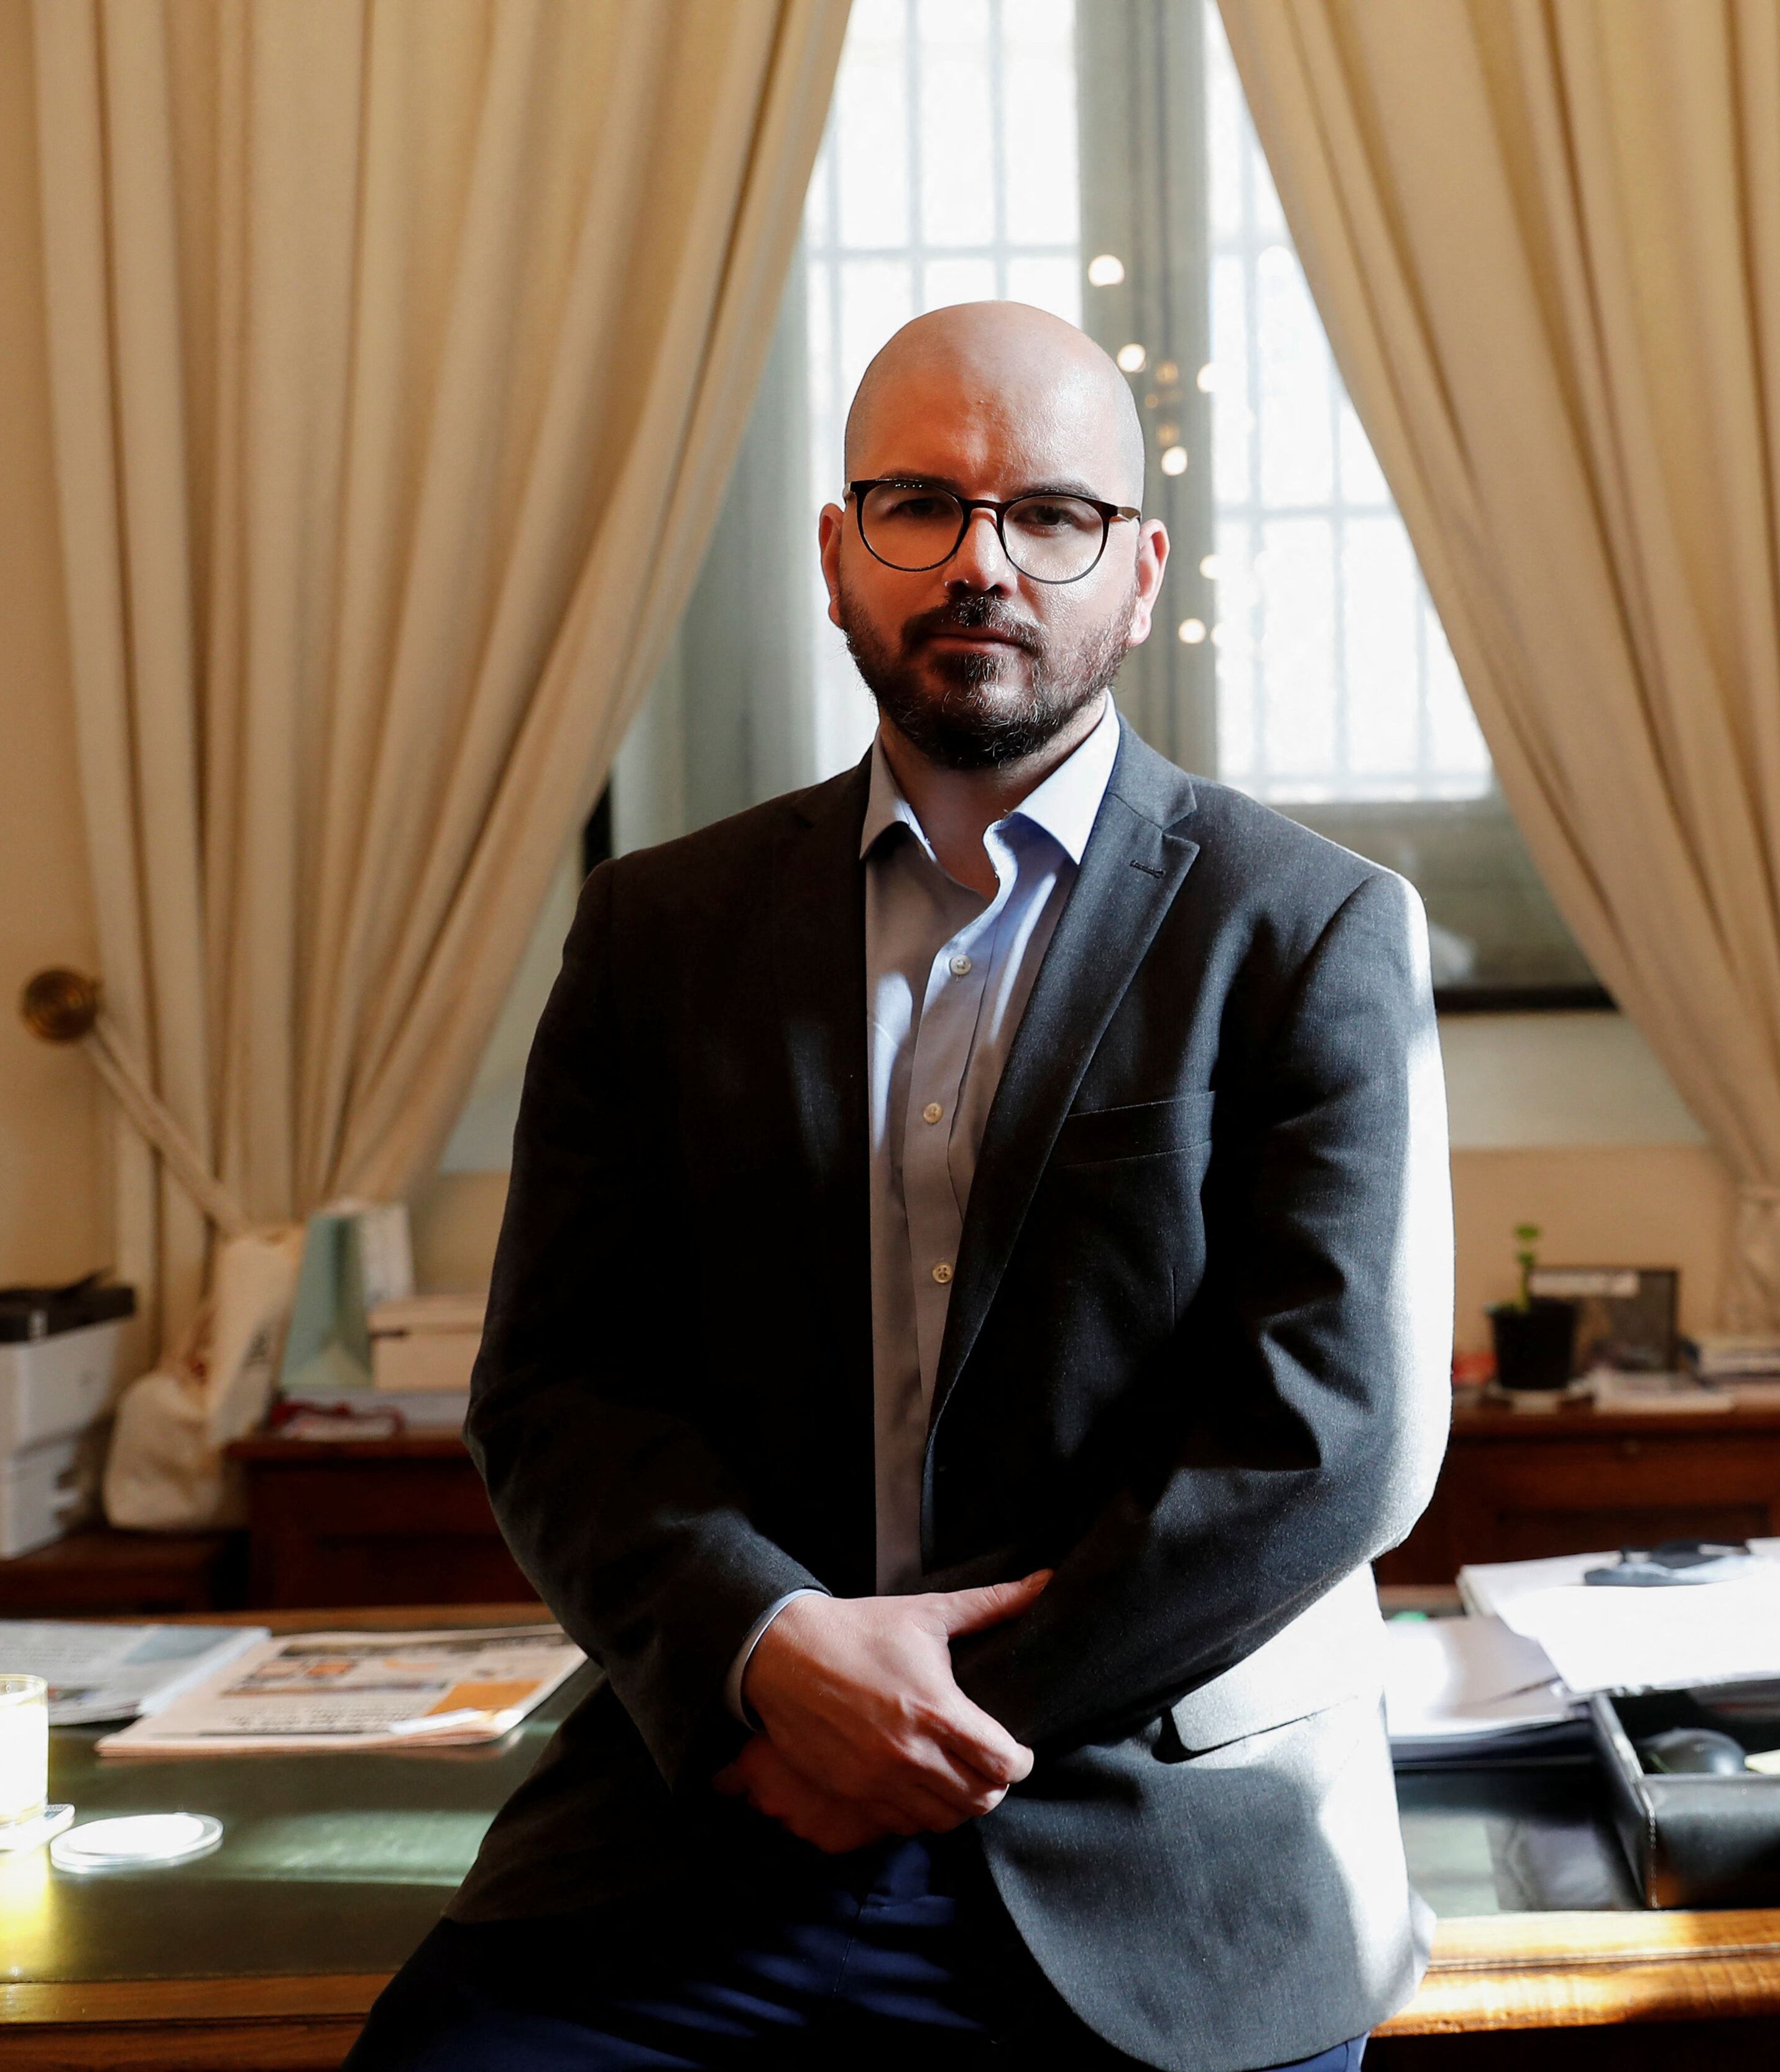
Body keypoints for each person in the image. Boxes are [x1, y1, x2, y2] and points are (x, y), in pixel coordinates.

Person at [347, 302, 1452, 2071]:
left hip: (1152, 1857)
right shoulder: (656, 934)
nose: (984, 565)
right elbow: (557, 1390)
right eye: (919, 505)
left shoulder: (1310, 927)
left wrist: (914, 1720)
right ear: (836, 552)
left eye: (1053, 516)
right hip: (707, 1830)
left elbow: (1334, 1435)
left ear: (1143, 567)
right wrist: (770, 1651)